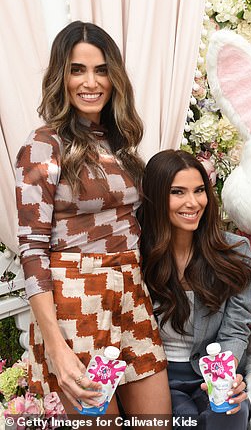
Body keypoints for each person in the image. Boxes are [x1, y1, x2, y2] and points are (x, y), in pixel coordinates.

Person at [14, 21, 170, 419]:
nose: (91, 82)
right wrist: (55, 346)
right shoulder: (43, 145)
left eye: (101, 70)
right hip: (73, 303)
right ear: (60, 76)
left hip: (131, 295)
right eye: (77, 69)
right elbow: (31, 250)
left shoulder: (120, 144)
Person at [138, 149, 251, 430]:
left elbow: (237, 328)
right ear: (155, 197)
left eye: (199, 190)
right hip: (159, 377)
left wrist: (226, 376)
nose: (193, 202)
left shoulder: (235, 251)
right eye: (178, 192)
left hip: (214, 368)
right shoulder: (137, 256)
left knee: (230, 413)